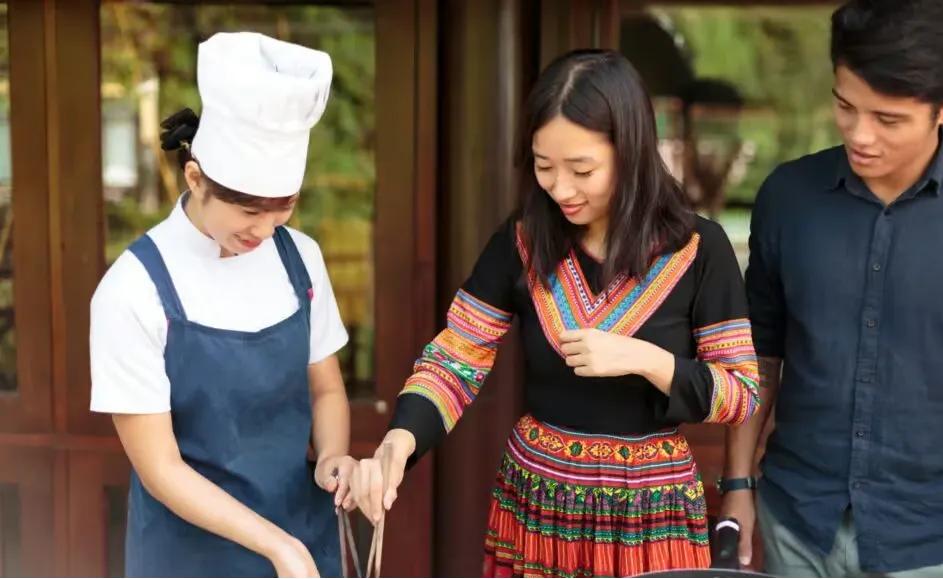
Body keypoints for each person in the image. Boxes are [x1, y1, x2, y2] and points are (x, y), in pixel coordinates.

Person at [341, 49, 762, 578]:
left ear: (630, 152)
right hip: (537, 506)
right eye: (544, 167)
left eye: (582, 169)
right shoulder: (523, 241)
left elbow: (741, 393)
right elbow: (457, 356)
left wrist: (645, 359)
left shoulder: (700, 249)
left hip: (651, 516)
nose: (560, 188)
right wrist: (400, 441)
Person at [720, 1, 943, 578]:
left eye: (887, 119)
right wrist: (738, 484)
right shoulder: (788, 196)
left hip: (933, 543)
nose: (860, 135)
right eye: (844, 105)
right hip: (796, 526)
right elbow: (758, 350)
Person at [89, 32, 356, 579]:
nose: (263, 230)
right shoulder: (132, 290)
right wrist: (276, 547)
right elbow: (160, 467)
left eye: (281, 210)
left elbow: (326, 387)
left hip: (302, 540)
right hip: (191, 557)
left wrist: (332, 456)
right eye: (247, 211)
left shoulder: (300, 259)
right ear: (195, 178)